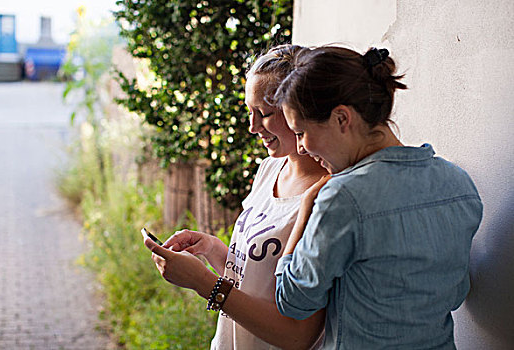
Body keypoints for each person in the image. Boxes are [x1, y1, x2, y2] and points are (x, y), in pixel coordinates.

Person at [273, 46, 483, 349]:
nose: (301, 147)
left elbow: (293, 301)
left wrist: (306, 211)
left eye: (301, 131)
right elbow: (456, 292)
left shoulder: (341, 197)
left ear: (342, 118)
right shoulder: (459, 183)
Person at [142, 45, 328, 349]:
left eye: (264, 114)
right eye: (249, 112)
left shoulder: (326, 196)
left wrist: (204, 283)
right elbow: (259, 281)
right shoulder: (271, 169)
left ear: (299, 108)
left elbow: (298, 335)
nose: (253, 127)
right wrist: (213, 249)